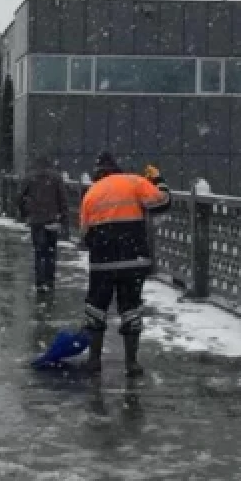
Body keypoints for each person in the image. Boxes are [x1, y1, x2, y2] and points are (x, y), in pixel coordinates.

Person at [79, 152, 171, 376]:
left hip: (102, 263)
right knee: (130, 308)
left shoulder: (91, 193)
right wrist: (158, 180)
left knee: (96, 308)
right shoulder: (135, 181)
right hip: (133, 259)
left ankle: (94, 360)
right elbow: (162, 203)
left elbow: (84, 236)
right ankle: (132, 363)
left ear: (97, 173)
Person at [18, 155, 69, 292]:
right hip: (52, 219)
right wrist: (63, 218)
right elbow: (63, 199)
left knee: (39, 252)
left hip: (36, 220)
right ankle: (50, 281)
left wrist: (25, 214)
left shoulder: (30, 177)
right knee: (51, 252)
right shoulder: (56, 177)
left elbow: (20, 197)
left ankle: (40, 282)